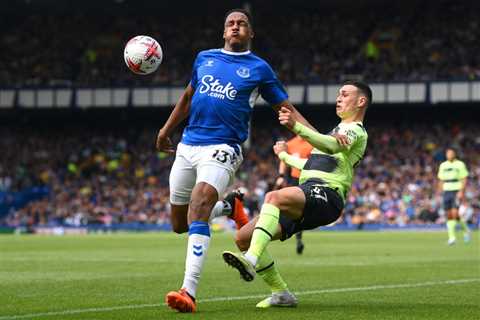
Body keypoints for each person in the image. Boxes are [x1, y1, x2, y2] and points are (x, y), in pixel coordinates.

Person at [156, 8, 313, 313]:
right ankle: (229, 207)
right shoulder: (204, 58)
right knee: (179, 224)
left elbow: (286, 108)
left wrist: (320, 140)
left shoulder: (259, 69)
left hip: (224, 147)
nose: (236, 27)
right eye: (231, 23)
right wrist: (165, 131)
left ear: (250, 33)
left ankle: (188, 291)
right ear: (224, 32)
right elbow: (188, 97)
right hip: (188, 145)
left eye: (242, 24)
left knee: (199, 206)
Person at [222, 80, 371, 308]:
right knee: (243, 237)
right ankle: (281, 294)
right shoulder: (337, 131)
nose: (338, 98)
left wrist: (296, 126)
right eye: (338, 94)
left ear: (361, 101)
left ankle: (250, 259)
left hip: (327, 195)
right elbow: (312, 164)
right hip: (310, 192)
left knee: (274, 197)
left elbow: (332, 147)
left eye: (344, 94)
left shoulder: (356, 131)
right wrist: (283, 157)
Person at [274, 135, 313, 254]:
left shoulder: (312, 143)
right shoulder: (290, 144)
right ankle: (297, 237)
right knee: (293, 210)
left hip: (308, 180)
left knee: (304, 211)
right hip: (294, 180)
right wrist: (281, 176)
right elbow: (283, 160)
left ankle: (296, 235)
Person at [437, 148, 470, 245]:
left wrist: (461, 191)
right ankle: (461, 232)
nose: (449, 155)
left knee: (455, 213)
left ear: (454, 154)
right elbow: (441, 179)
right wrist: (440, 191)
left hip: (456, 190)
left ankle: (453, 237)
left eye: (451, 153)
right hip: (446, 191)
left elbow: (464, 178)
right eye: (448, 153)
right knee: (449, 215)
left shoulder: (460, 164)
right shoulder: (443, 165)